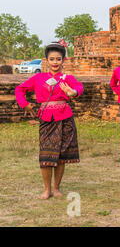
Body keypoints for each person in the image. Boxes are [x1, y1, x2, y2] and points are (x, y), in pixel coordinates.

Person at [15, 40, 83, 200]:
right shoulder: (39, 78)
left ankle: (57, 188)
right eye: (52, 59)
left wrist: (73, 92)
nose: (55, 62)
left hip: (65, 119)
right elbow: (19, 89)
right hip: (46, 119)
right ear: (47, 60)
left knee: (61, 156)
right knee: (46, 155)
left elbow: (79, 87)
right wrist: (24, 105)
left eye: (58, 59)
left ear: (63, 60)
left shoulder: (67, 78)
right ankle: (47, 189)